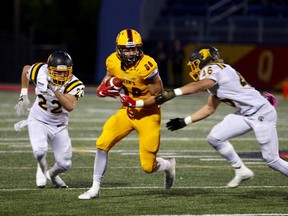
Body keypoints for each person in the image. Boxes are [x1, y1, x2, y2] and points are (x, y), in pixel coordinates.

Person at [126, 45, 285, 188]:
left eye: (195, 62)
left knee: (272, 160)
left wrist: (173, 92)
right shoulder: (219, 74)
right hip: (247, 113)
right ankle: (241, 170)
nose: (194, 68)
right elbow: (209, 108)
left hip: (260, 114)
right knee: (215, 137)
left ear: (204, 59)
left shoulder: (213, 69)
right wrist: (184, 121)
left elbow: (199, 86)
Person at [78, 29, 176, 200]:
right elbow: (109, 78)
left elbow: (160, 97)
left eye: (134, 49)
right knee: (102, 143)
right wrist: (104, 89)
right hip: (128, 112)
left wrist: (136, 102)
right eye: (127, 49)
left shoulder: (147, 66)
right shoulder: (112, 61)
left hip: (148, 114)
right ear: (119, 49)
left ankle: (168, 165)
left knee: (148, 167)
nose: (131, 53)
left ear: (140, 48)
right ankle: (95, 188)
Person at [14, 51, 85, 188]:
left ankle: (51, 174)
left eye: (65, 72)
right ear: (49, 69)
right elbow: (25, 70)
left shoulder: (74, 83)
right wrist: (23, 94)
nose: (61, 75)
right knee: (40, 151)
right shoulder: (40, 71)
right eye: (57, 72)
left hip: (59, 125)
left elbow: (70, 106)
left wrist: (54, 88)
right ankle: (41, 168)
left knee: (65, 164)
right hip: (38, 119)